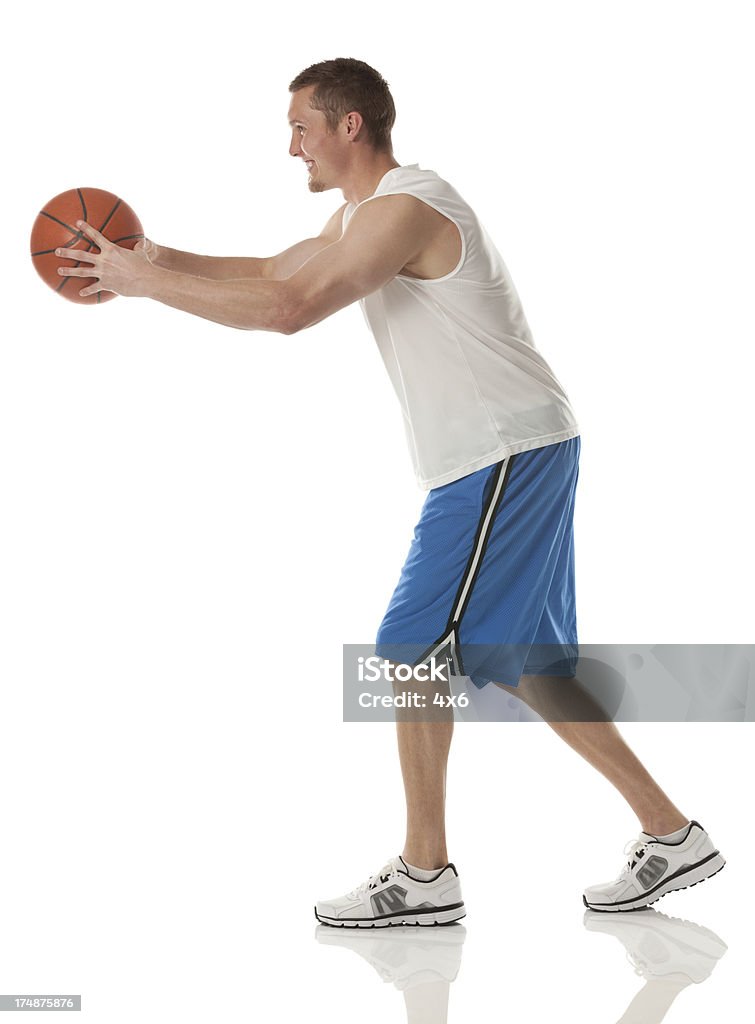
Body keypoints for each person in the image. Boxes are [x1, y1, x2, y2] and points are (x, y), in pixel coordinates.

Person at [56, 57, 726, 925]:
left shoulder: (406, 207)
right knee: (518, 661)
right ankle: (672, 835)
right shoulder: (361, 217)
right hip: (510, 449)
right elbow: (269, 268)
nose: (289, 144)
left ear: (349, 126)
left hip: (501, 452)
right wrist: (153, 258)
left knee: (408, 648)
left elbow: (289, 308)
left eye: (300, 126)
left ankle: (423, 873)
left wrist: (143, 285)